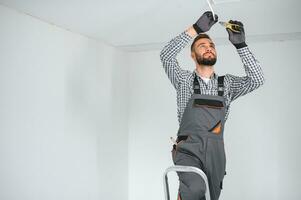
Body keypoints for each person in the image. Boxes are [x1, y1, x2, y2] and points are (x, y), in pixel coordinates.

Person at [160, 11, 265, 200]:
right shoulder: (183, 80)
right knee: (195, 187)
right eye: (202, 46)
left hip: (216, 153)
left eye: (211, 45)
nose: (208, 48)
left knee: (209, 196)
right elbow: (166, 56)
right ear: (193, 55)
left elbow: (257, 80)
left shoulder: (228, 84)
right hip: (188, 149)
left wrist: (240, 45)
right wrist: (196, 29)